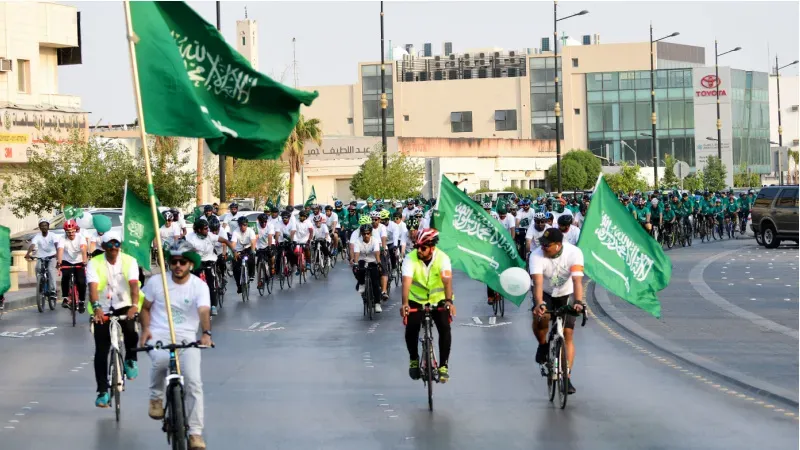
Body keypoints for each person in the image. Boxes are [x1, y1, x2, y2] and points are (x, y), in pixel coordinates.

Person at [139, 241, 212, 450]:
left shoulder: (199, 286)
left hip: (188, 338)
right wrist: (145, 330)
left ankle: (195, 433)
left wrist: (206, 333)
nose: (177, 266)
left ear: (190, 264)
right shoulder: (156, 282)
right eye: (174, 262)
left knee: (194, 384)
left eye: (182, 262)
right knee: (160, 361)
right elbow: (145, 309)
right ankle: (156, 398)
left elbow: (204, 311)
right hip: (160, 334)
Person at [85, 231, 141, 407]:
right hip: (102, 307)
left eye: (117, 244)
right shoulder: (94, 263)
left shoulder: (129, 261)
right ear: (103, 247)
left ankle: (131, 358)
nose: (114, 248)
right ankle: (102, 391)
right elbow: (92, 288)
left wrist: (134, 305)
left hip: (125, 303)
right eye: (110, 244)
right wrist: (96, 309)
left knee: (131, 330)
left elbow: (133, 285)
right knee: (101, 351)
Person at [530, 228, 585, 395]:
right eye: (542, 244)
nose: (543, 248)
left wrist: (578, 302)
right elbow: (538, 284)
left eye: (547, 245)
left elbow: (577, 281)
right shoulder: (536, 255)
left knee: (568, 333)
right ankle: (542, 344)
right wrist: (539, 304)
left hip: (566, 293)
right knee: (543, 318)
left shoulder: (574, 253)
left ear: (558, 245)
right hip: (545, 293)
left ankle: (566, 377)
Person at [400, 229, 455, 383]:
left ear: (432, 248)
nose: (419, 251)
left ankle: (443, 366)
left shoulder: (443, 258)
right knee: (412, 327)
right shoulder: (410, 259)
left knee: (444, 327)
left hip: (439, 299)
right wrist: (404, 304)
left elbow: (447, 281)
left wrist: (449, 302)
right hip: (416, 299)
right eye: (417, 247)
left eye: (423, 248)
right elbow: (406, 282)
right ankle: (414, 359)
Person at [186, 218, 236, 316]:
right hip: (197, 260)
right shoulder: (190, 238)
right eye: (205, 229)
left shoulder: (210, 236)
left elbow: (225, 240)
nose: (207, 230)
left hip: (210, 260)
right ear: (199, 230)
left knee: (211, 282)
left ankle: (213, 305)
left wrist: (234, 251)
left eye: (207, 228)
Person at [57, 219, 88, 312]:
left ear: (76, 230)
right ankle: (66, 298)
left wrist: (84, 262)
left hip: (79, 261)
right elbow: (60, 250)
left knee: (81, 282)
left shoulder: (80, 238)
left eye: (72, 231)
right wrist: (59, 263)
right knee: (65, 278)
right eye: (68, 232)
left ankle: (82, 301)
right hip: (67, 261)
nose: (71, 234)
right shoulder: (62, 238)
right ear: (65, 232)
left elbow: (83, 250)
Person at [352, 222, 383, 314]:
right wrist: (356, 263)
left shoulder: (375, 240)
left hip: (372, 260)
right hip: (362, 260)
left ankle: (377, 303)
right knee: (358, 269)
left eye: (368, 233)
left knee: (375, 283)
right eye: (364, 233)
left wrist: (378, 263)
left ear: (371, 233)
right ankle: (361, 283)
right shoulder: (358, 241)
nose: (366, 235)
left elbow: (377, 252)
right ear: (361, 234)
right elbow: (356, 253)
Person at [24, 218, 59, 301]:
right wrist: (28, 253)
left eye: (45, 225)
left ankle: (53, 291)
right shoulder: (37, 236)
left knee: (50, 270)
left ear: (48, 226)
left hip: (52, 256)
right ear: (39, 227)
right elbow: (33, 245)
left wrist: (58, 253)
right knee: (37, 269)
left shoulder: (52, 235)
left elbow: (56, 244)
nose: (44, 227)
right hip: (41, 256)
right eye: (42, 226)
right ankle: (40, 284)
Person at [231, 216, 257, 294]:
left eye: (245, 225)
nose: (243, 227)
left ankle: (251, 274)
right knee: (235, 267)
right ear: (239, 225)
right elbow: (233, 244)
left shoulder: (250, 231)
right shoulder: (235, 232)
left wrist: (252, 251)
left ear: (247, 225)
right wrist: (234, 251)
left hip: (248, 248)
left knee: (252, 258)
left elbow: (253, 242)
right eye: (241, 225)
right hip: (238, 250)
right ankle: (239, 286)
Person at [369, 210, 390, 301]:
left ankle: (384, 291)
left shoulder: (382, 227)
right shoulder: (368, 227)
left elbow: (384, 238)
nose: (374, 221)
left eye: (376, 219)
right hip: (370, 251)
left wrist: (383, 247)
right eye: (372, 219)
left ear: (379, 220)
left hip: (381, 249)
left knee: (383, 270)